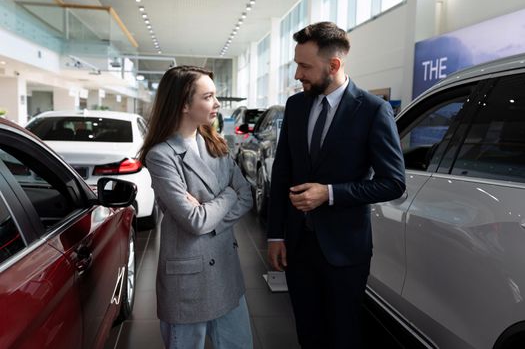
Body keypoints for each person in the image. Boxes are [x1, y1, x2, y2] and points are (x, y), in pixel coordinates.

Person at [267, 22, 406, 349]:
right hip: (298, 246)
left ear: (334, 66)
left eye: (305, 67)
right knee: (307, 332)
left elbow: (393, 183)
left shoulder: (373, 110)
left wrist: (329, 194)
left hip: (345, 250)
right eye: (296, 65)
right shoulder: (296, 106)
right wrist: (275, 234)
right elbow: (282, 173)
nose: (297, 75)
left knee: (343, 335)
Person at [138, 66, 253, 349]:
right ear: (184, 105)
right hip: (187, 280)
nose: (216, 104)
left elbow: (246, 196)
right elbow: (194, 221)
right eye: (208, 97)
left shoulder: (216, 143)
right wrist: (227, 196)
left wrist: (208, 213)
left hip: (226, 271)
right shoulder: (162, 155)